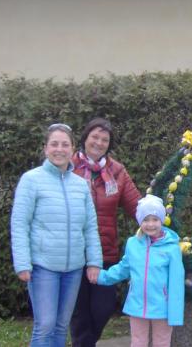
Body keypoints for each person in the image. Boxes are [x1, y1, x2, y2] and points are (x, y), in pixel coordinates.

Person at [10, 123, 103, 347]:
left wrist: (94, 262)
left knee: (62, 325)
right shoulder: (31, 180)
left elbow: (90, 227)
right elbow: (20, 224)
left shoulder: (81, 185)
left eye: (65, 144)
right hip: (44, 267)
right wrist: (22, 263)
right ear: (45, 148)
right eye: (54, 144)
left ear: (72, 149)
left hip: (73, 269)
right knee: (45, 325)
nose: (59, 149)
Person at [70, 117, 142, 347]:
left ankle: (85, 343)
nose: (99, 143)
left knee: (103, 308)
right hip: (74, 252)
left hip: (105, 253)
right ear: (85, 138)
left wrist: (158, 220)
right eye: (95, 137)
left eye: (104, 140)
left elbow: (136, 205)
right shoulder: (68, 167)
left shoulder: (117, 172)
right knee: (79, 312)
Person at [94, 194, 185, 347]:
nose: (150, 224)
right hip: (137, 305)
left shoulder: (172, 248)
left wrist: (175, 314)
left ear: (161, 220)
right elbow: (123, 269)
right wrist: (101, 276)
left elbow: (176, 283)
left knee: (162, 343)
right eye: (145, 220)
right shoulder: (133, 244)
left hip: (162, 307)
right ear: (139, 221)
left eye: (155, 219)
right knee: (137, 342)